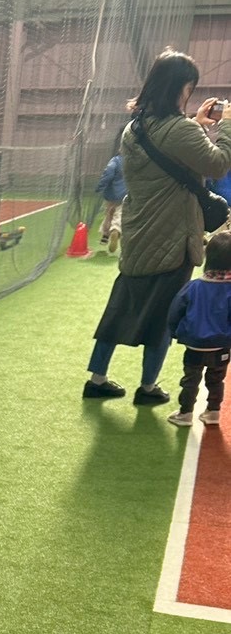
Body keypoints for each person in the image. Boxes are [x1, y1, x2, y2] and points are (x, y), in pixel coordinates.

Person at [82, 49, 231, 406]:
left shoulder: (134, 128)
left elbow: (171, 145)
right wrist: (226, 126)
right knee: (164, 316)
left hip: (138, 232)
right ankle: (148, 387)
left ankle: (97, 378)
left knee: (120, 307)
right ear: (182, 87)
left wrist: (196, 124)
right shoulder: (179, 129)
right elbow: (218, 164)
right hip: (173, 237)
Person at [166, 225, 231, 426]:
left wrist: (175, 332)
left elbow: (175, 311)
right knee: (216, 379)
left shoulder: (194, 286)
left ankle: (185, 413)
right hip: (222, 344)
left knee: (190, 380)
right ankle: (213, 412)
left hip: (194, 343)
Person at [95, 133, 127, 253]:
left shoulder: (115, 161)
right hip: (124, 194)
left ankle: (105, 235)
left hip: (111, 194)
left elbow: (108, 174)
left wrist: (100, 186)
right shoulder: (131, 162)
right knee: (119, 214)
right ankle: (116, 229)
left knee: (109, 213)